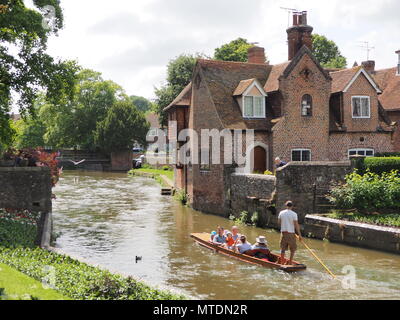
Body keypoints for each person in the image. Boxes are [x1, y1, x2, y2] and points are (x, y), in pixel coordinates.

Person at [278, 201, 302, 265]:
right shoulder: (294, 214)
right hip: (291, 234)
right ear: (292, 206)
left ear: (286, 206)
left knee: (282, 248)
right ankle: (290, 262)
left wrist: (284, 226)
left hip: (283, 233)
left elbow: (279, 222)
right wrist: (299, 235)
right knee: (293, 249)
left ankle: (282, 262)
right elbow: (296, 225)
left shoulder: (281, 213)